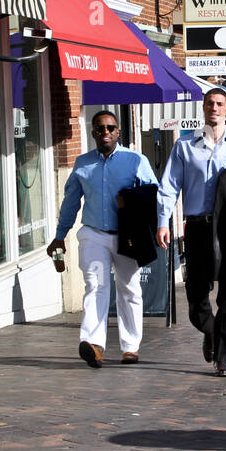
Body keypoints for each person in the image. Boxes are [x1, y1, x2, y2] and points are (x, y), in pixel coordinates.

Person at [157, 88, 226, 377]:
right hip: (198, 227)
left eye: (220, 104)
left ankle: (223, 358)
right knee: (196, 295)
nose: (215, 108)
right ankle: (210, 330)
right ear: (203, 107)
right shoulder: (185, 146)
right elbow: (169, 186)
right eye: (210, 103)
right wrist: (163, 221)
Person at [49, 110, 158, 368]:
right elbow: (71, 202)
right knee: (95, 286)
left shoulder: (135, 160)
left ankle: (130, 347)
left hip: (127, 236)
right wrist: (59, 236)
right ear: (93, 133)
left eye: (110, 128)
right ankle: (93, 345)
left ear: (118, 132)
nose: (105, 132)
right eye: (100, 129)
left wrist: (152, 222)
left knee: (129, 288)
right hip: (94, 234)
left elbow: (154, 194)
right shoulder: (82, 164)